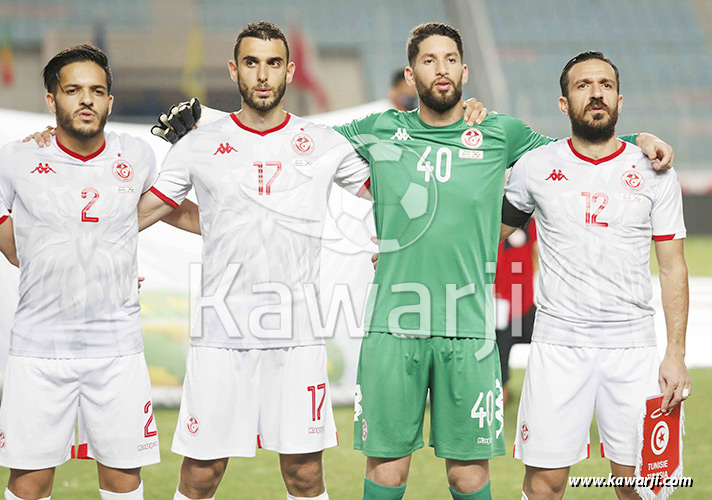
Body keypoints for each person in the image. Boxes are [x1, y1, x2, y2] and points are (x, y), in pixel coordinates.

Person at [340, 24, 673, 500]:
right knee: (387, 471)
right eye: (429, 60)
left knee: (468, 476)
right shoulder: (380, 129)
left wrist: (638, 137)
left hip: (470, 330)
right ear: (410, 75)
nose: (441, 69)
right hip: (395, 324)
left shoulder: (501, 132)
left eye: (450, 59)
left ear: (464, 71)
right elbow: (302, 144)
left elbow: (581, 148)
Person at [134, 22, 377, 500]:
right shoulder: (197, 144)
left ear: (289, 71)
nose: (262, 75)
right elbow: (148, 211)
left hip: (297, 334)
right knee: (201, 475)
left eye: (272, 63)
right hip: (221, 332)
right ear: (234, 70)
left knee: (304, 476)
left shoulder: (323, 142)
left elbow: (389, 195)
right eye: (251, 62)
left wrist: (391, 241)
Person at [500, 51, 690, 500]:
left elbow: (672, 266)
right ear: (564, 104)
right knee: (544, 486)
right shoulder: (535, 167)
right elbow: (487, 236)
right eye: (583, 86)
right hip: (558, 346)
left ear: (619, 100)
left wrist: (676, 354)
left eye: (605, 85)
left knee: (641, 487)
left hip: (634, 349)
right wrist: (410, 247)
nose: (596, 93)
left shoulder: (655, 171)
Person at [0, 43, 169, 500]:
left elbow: (162, 208)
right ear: (52, 99)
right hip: (38, 350)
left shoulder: (137, 155)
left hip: (117, 351)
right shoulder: (16, 158)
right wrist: (51, 261)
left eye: (96, 91)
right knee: (29, 484)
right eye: (73, 90)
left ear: (110, 101)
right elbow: (17, 250)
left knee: (123, 481)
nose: (86, 100)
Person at [494, 219, 537, 406]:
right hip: (501, 306)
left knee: (552, 342)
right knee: (499, 347)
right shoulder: (489, 222)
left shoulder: (528, 223)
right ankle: (499, 390)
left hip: (524, 305)